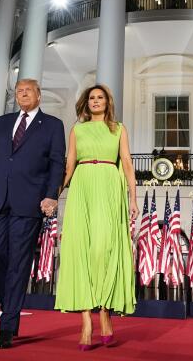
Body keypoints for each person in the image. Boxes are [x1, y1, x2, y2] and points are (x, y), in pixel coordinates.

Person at [0, 78, 66, 349]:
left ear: (38, 95)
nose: (22, 94)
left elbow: (57, 162)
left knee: (18, 264)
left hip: (30, 202)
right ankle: (10, 301)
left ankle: (7, 326)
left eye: (28, 90)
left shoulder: (52, 125)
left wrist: (51, 195)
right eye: (18, 91)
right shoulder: (3, 122)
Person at [54, 84, 138, 350]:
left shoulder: (119, 128)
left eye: (100, 97)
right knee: (80, 251)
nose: (96, 101)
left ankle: (104, 312)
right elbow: (69, 165)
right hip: (82, 187)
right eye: (92, 98)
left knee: (104, 249)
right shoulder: (77, 129)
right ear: (86, 103)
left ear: (107, 102)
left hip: (109, 187)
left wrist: (133, 198)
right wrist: (53, 195)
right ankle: (86, 324)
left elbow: (126, 162)